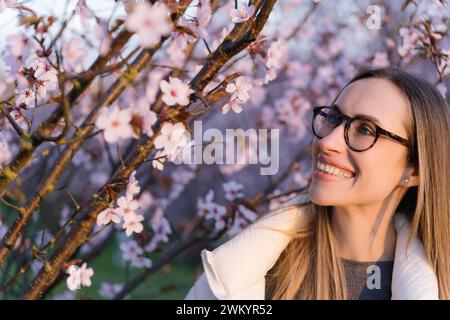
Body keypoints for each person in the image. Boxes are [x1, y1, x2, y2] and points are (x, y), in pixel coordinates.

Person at [185, 67, 450, 300]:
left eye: (365, 130)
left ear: (413, 169)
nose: (326, 142)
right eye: (334, 119)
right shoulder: (248, 273)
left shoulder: (438, 285)